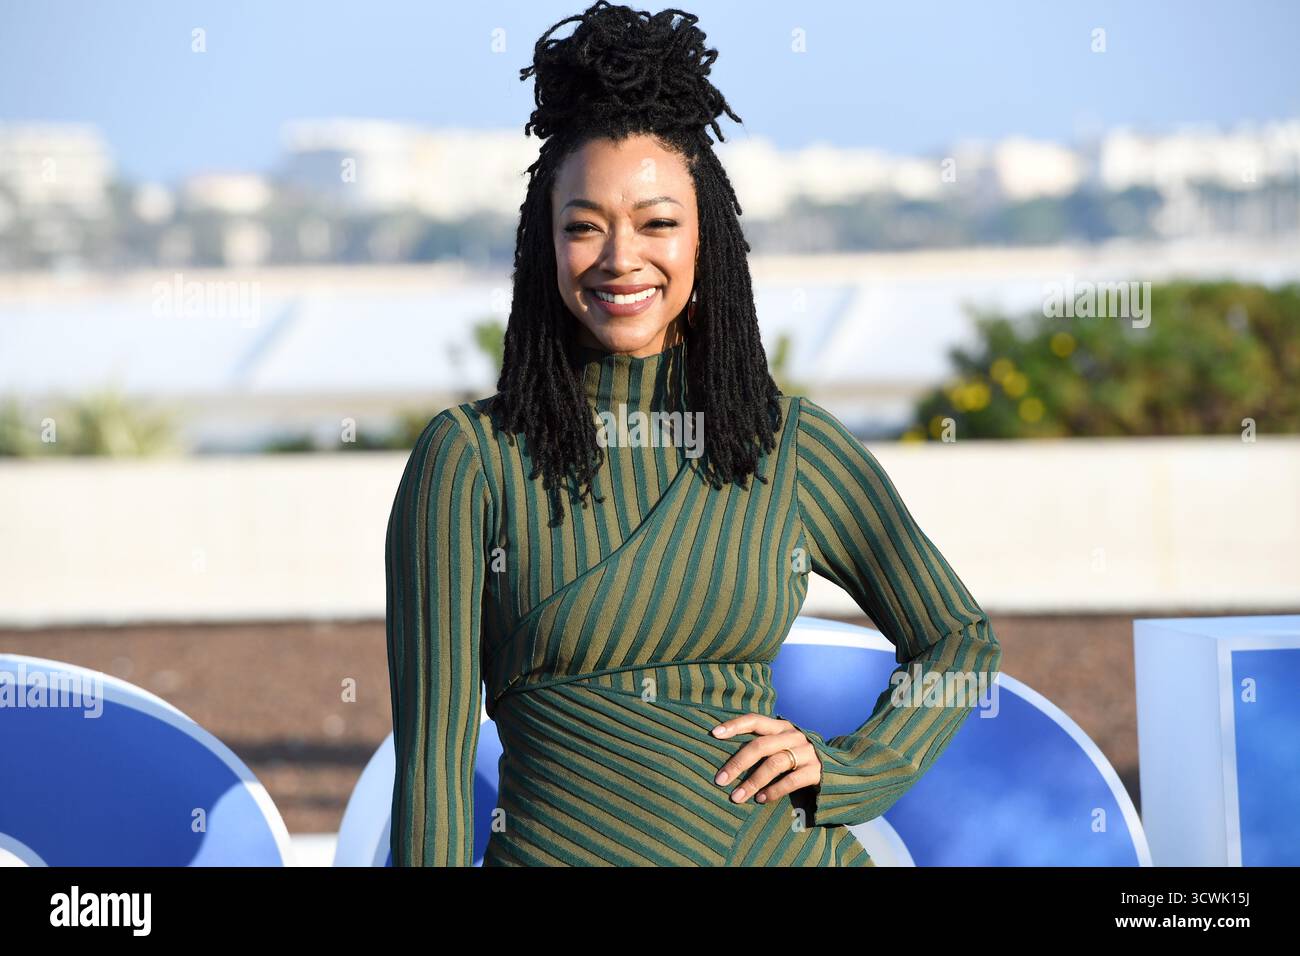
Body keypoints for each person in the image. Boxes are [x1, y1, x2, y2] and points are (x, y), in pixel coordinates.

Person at [386, 0, 1003, 866]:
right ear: (544, 244)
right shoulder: (471, 461)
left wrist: (852, 768)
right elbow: (435, 763)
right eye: (583, 225)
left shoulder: (786, 444)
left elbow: (959, 641)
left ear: (707, 235)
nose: (619, 257)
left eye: (657, 222)